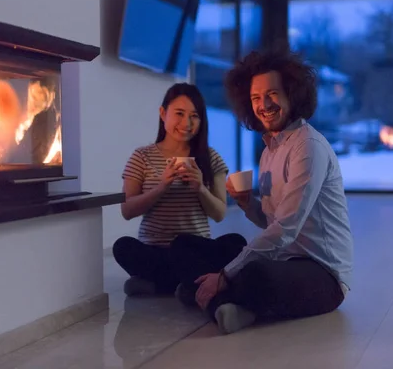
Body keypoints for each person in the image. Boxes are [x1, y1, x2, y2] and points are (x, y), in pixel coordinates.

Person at [192, 49, 354, 334]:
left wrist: (226, 274)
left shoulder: (308, 146)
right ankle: (232, 305)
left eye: (272, 94)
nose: (264, 104)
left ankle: (226, 301)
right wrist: (247, 203)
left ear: (292, 93)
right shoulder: (270, 149)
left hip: (321, 275)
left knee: (252, 273)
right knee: (219, 249)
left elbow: (286, 228)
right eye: (255, 98)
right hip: (283, 259)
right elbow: (271, 219)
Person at [113, 83, 247, 297]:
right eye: (179, 113)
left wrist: (200, 188)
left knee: (235, 243)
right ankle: (187, 285)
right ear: (163, 113)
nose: (186, 123)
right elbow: (127, 210)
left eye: (194, 116)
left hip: (194, 248)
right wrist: (162, 187)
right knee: (123, 247)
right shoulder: (141, 157)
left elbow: (220, 214)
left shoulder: (210, 158)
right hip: (154, 250)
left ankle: (158, 285)